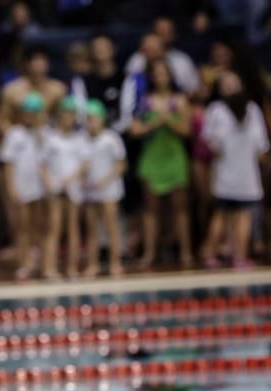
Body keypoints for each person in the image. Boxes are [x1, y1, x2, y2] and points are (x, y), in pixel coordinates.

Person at [200, 71, 270, 269]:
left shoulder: (250, 109)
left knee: (236, 215)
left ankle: (231, 256)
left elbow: (260, 146)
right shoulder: (218, 110)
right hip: (231, 172)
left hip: (242, 171)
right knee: (227, 215)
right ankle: (224, 255)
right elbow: (261, 145)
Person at [130, 59, 192, 270]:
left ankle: (185, 251)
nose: (160, 77)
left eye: (163, 73)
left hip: (174, 157)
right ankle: (149, 253)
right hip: (152, 158)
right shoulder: (145, 101)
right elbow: (135, 130)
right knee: (150, 210)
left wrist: (169, 120)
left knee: (180, 209)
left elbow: (187, 131)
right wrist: (156, 121)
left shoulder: (180, 101)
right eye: (156, 73)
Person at [0, 92, 48, 280]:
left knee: (41, 225)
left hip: (40, 188)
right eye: (28, 112)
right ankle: (24, 262)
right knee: (22, 227)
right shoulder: (14, 134)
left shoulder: (44, 133)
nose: (31, 116)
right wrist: (11, 187)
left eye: (35, 112)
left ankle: (41, 260)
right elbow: (8, 164)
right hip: (21, 186)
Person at [43, 96, 88, 279]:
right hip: (56, 188)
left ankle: (72, 268)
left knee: (73, 228)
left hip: (73, 187)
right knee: (54, 228)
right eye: (65, 114)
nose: (68, 118)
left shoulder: (80, 139)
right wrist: (49, 182)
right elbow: (42, 164)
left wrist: (71, 178)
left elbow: (85, 164)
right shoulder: (51, 139)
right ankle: (49, 268)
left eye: (71, 115)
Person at [81, 100, 126, 278]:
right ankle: (93, 264)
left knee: (111, 227)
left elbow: (121, 165)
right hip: (91, 191)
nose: (90, 122)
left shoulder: (111, 138)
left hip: (109, 190)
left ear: (101, 119)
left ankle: (115, 262)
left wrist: (105, 181)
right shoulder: (83, 140)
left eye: (93, 119)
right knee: (92, 229)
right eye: (88, 119)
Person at [125, 17, 200, 94]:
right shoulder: (137, 59)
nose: (162, 35)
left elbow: (193, 89)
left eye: (166, 31)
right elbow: (130, 88)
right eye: (159, 31)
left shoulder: (182, 60)